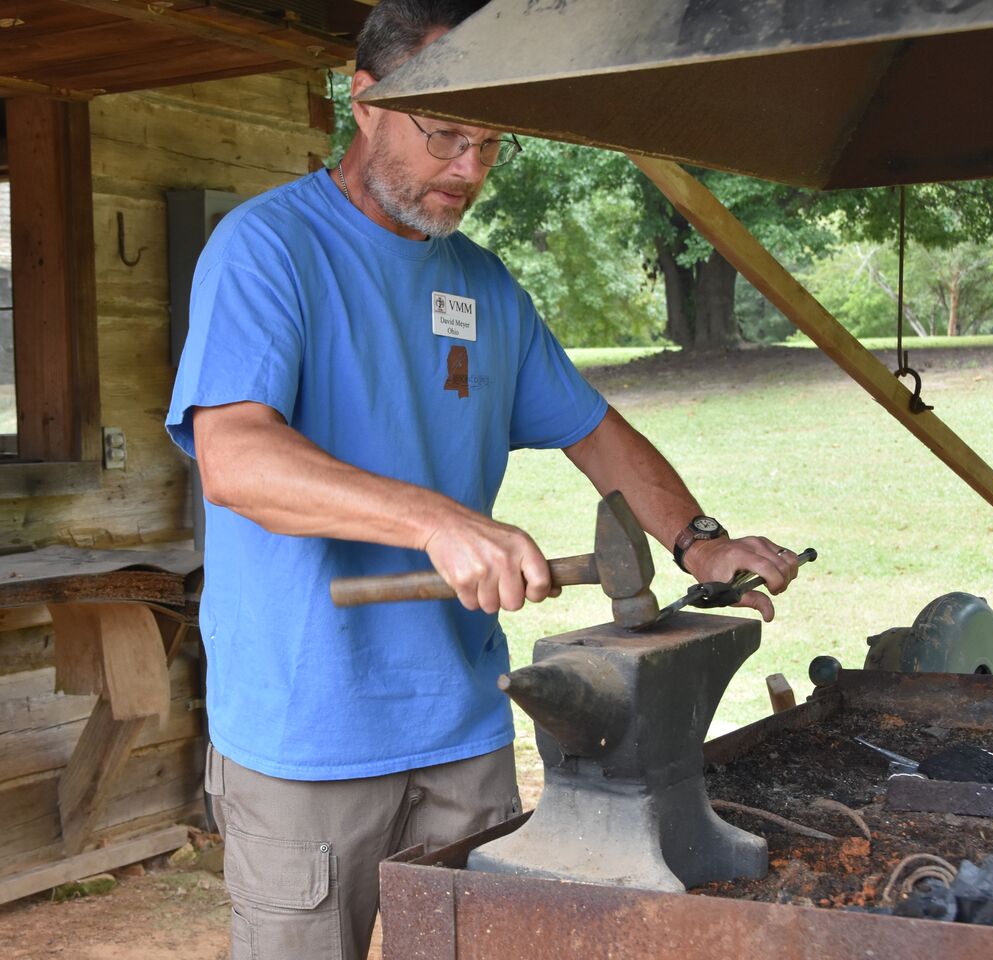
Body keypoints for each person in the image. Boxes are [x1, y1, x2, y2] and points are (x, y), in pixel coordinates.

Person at [166, 2, 798, 957]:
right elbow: (236, 459)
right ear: (364, 100)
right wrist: (436, 522)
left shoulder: (483, 285)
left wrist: (696, 541)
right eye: (445, 136)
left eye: (491, 143)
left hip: (464, 724)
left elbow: (594, 431)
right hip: (308, 734)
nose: (469, 170)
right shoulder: (267, 250)